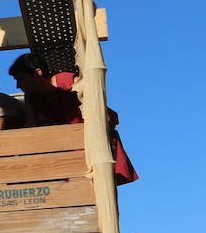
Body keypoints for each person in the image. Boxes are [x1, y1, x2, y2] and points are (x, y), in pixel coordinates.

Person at [8, 52, 138, 184]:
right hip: (69, 151)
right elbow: (31, 129)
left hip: (94, 145)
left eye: (21, 79)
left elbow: (97, 106)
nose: (18, 85)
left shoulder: (67, 81)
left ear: (38, 72)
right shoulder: (32, 97)